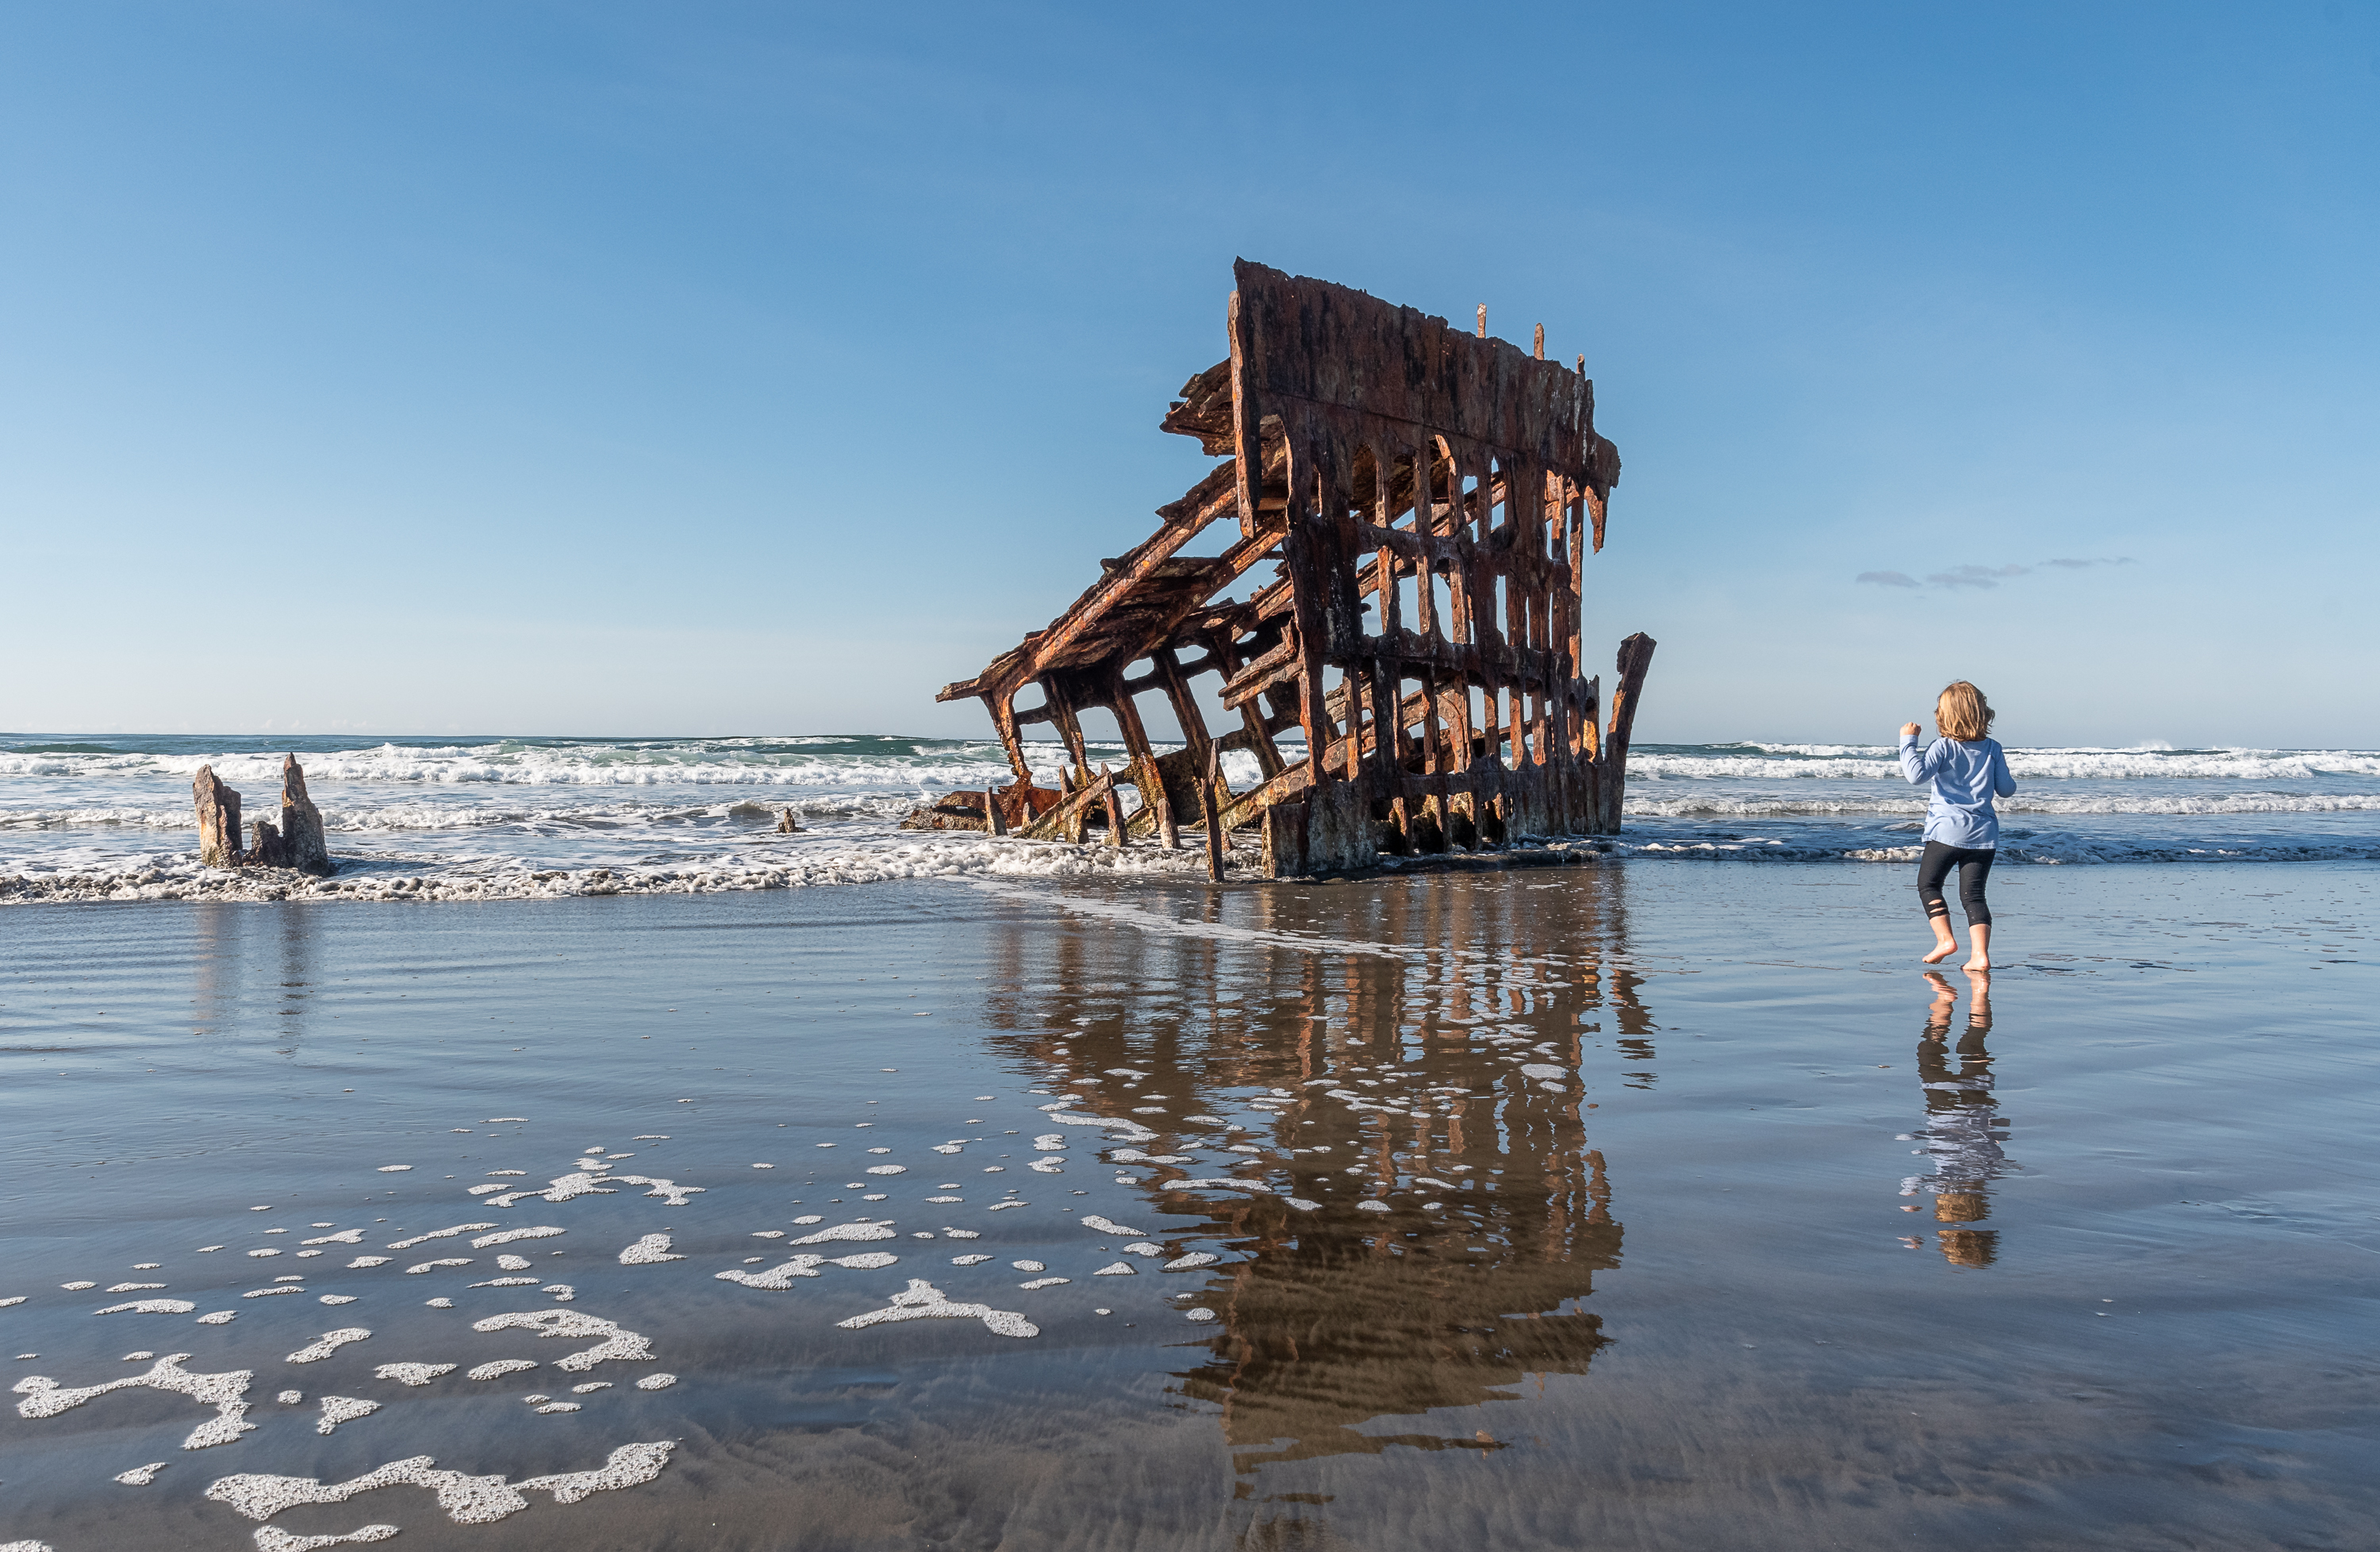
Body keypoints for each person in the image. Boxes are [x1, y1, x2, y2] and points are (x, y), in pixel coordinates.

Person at [1898, 681, 2015, 969]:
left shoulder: (1943, 746)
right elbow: (2007, 789)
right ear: (1982, 713)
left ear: (1945, 716)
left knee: (1928, 884)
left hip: (1947, 832)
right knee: (1974, 895)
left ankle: (1946, 941)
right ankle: (1980, 956)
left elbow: (1916, 775)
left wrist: (1907, 742)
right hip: (1984, 834)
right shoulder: (1993, 748)